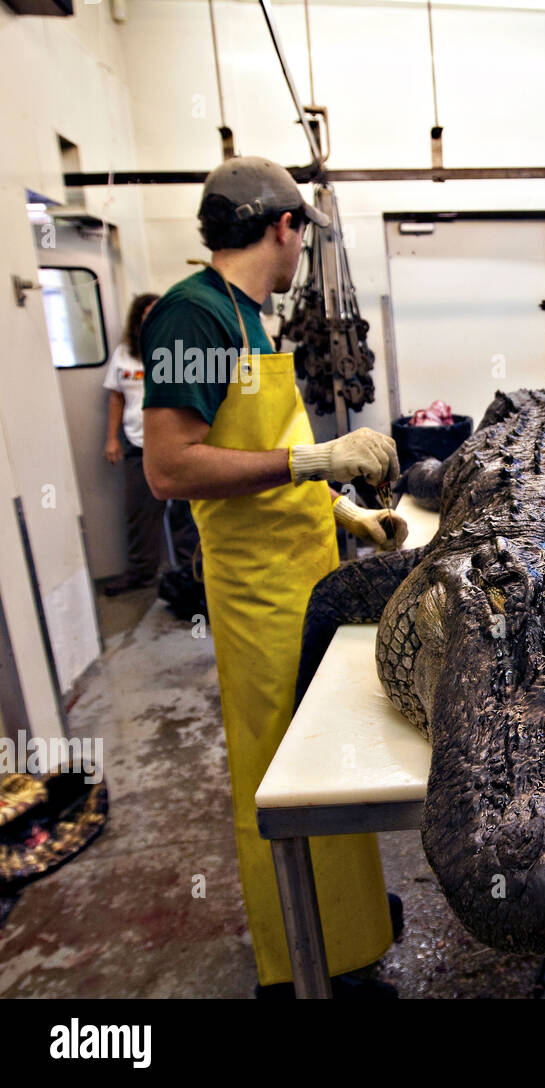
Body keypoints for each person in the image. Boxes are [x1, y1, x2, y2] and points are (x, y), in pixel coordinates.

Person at [141, 156, 410, 997]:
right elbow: (172, 468)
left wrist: (344, 512)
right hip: (258, 594)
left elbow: (257, 462)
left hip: (304, 573)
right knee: (281, 771)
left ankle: (349, 930)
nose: (303, 250)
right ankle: (300, 968)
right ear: (282, 227)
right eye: (303, 233)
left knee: (326, 757)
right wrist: (315, 456)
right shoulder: (192, 317)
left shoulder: (248, 317)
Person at [102, 292, 200, 596]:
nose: (152, 318)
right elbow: (116, 396)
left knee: (186, 514)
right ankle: (142, 572)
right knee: (140, 513)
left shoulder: (180, 350)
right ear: (138, 319)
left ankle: (191, 573)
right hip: (136, 444)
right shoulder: (124, 354)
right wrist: (111, 439)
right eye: (146, 314)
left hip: (177, 443)